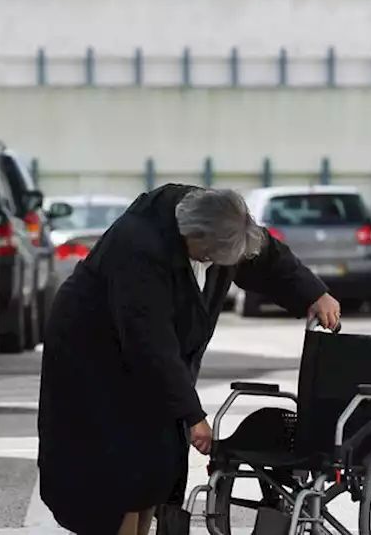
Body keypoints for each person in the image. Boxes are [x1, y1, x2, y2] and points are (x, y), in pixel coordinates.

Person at [37, 184, 341, 535]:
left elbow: (266, 256)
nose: (212, 264)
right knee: (113, 468)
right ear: (191, 235)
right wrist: (192, 415)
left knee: (155, 458)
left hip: (149, 358)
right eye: (207, 256)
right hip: (94, 356)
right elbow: (151, 342)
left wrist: (313, 292)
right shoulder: (138, 247)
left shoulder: (223, 221)